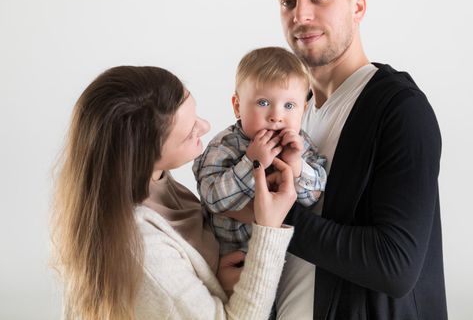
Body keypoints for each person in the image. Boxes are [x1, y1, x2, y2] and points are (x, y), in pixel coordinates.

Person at [50, 66, 297, 319]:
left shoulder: (154, 182)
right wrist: (269, 227)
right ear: (144, 155)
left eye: (196, 114)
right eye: (190, 131)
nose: (205, 126)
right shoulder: (141, 249)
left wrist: (214, 280)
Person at [274, 0, 448, 319]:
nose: (300, 15)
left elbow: (395, 265)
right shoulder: (288, 111)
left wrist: (272, 218)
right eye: (288, 2)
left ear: (359, 6)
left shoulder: (400, 109)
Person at [193, 47, 327, 256]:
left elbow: (313, 199)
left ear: (304, 109)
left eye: (289, 105)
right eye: (263, 103)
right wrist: (251, 162)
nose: (276, 116)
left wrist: (296, 165)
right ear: (237, 106)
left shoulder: (300, 144)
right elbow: (212, 199)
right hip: (225, 257)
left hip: (276, 256)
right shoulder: (224, 146)